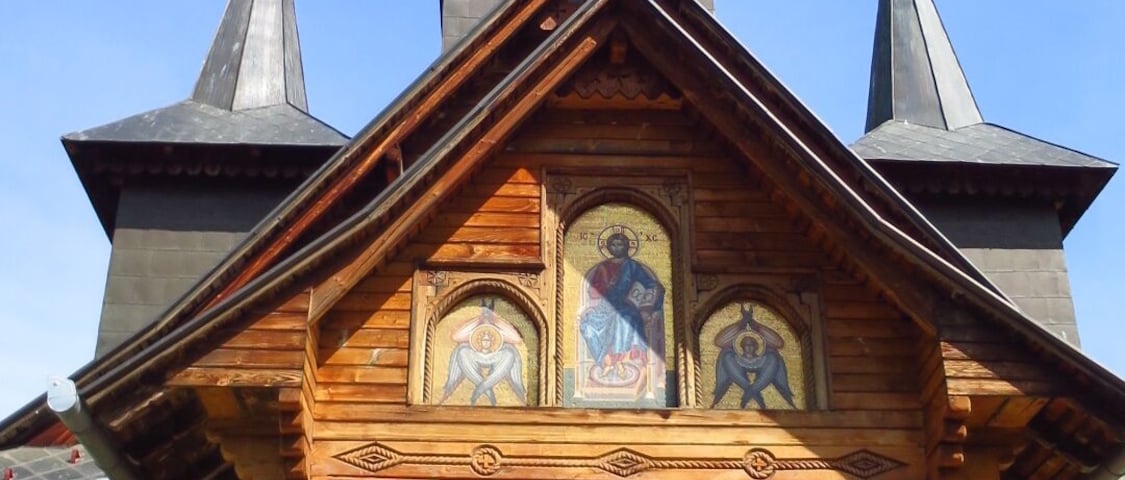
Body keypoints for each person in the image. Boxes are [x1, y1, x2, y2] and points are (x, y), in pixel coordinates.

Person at [579, 232, 665, 381]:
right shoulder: (603, 267)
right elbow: (593, 291)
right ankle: (605, 360)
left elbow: (650, 284)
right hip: (606, 306)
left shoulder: (632, 266)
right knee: (586, 327)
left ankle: (619, 361)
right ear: (607, 247)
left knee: (623, 321)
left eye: (620, 244)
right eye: (613, 245)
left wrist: (649, 303)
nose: (616, 248)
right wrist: (606, 287)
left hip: (627, 307)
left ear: (627, 246)